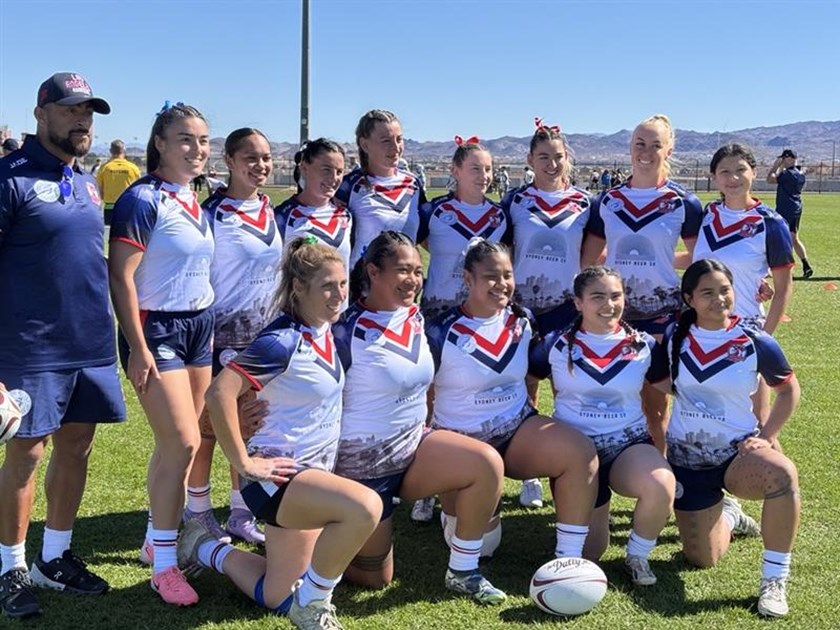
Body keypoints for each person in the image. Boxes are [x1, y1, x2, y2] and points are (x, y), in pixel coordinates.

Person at [181, 238, 382, 630]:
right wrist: (244, 462)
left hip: (310, 476)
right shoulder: (281, 341)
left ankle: (203, 548)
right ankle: (314, 604)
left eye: (342, 284)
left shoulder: (325, 330)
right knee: (364, 508)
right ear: (298, 288)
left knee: (279, 595)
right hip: (278, 479)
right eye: (327, 286)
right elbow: (219, 393)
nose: (339, 294)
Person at [0, 72, 126, 620]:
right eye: (71, 109)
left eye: (88, 112)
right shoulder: (9, 178)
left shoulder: (88, 181)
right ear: (41, 113)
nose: (82, 120)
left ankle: (54, 557)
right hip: (29, 348)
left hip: (89, 343)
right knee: (27, 455)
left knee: (77, 447)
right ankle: (9, 567)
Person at [333, 231, 508, 604]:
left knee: (486, 462)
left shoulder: (414, 316)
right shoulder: (344, 330)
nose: (413, 280)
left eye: (417, 270)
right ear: (373, 272)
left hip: (414, 448)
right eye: (402, 270)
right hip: (364, 466)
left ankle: (463, 570)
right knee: (375, 578)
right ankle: (314, 540)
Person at [426, 240, 598, 562]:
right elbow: (422, 392)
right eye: (491, 276)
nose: (501, 283)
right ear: (468, 279)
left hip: (515, 429)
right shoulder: (439, 331)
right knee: (484, 547)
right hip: (462, 440)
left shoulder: (523, 319)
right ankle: (451, 505)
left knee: (580, 452)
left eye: (507, 275)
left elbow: (533, 370)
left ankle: (569, 558)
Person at [648, 259, 801, 618]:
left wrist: (766, 435)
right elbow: (658, 380)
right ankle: (730, 516)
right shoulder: (674, 335)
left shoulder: (754, 339)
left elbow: (789, 391)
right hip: (687, 459)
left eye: (725, 290)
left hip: (737, 454)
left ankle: (774, 580)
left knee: (783, 475)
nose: (719, 298)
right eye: (708, 292)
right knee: (702, 559)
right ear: (689, 299)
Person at [108, 103, 215, 606]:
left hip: (199, 327)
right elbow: (120, 275)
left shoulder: (193, 197)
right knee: (183, 443)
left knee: (182, 443)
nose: (197, 149)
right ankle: (166, 567)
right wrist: (137, 346)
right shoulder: (142, 198)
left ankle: (156, 537)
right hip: (157, 329)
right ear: (161, 144)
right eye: (186, 139)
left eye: (203, 140)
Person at [530, 266, 675, 585]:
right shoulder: (555, 344)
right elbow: (526, 379)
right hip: (575, 458)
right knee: (590, 552)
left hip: (627, 446)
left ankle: (637, 556)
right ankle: (594, 512)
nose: (609, 304)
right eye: (597, 297)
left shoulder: (643, 345)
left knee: (661, 485)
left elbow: (672, 387)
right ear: (578, 302)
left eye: (615, 296)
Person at [582, 114, 701, 450]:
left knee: (655, 408)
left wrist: (664, 260)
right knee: (607, 400)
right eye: (640, 144)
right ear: (630, 147)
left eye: (655, 145)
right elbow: (589, 259)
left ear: (669, 150)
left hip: (660, 317)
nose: (646, 152)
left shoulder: (683, 202)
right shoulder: (608, 201)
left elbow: (700, 259)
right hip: (612, 317)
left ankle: (657, 471)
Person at [189, 128, 283, 546]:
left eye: (266, 158)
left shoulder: (270, 209)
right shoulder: (211, 213)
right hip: (219, 337)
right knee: (207, 429)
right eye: (250, 157)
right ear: (228, 161)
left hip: (261, 339)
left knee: (248, 426)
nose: (260, 166)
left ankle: (241, 512)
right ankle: (197, 511)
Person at [502, 118, 594, 508]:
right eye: (543, 157)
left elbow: (595, 253)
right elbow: (504, 252)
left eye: (558, 156)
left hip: (564, 310)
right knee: (524, 388)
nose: (552, 164)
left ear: (567, 158)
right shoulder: (515, 201)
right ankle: (531, 475)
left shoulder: (586, 203)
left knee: (567, 391)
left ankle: (570, 469)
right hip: (523, 308)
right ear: (530, 160)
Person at [693, 144, 794, 426]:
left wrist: (763, 338)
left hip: (744, 331)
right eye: (724, 171)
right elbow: (699, 261)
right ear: (714, 176)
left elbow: (784, 287)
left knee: (756, 422)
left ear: (754, 172)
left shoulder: (770, 223)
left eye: (740, 170)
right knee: (706, 417)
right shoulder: (708, 213)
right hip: (701, 331)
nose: (733, 178)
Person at [418, 136, 511, 320]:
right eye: (475, 169)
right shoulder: (432, 211)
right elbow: (412, 248)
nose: (484, 176)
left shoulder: (501, 215)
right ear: (455, 171)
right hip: (437, 312)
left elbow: (509, 259)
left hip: (484, 315)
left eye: (488, 169)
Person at [336, 110, 426, 268]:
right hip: (361, 281)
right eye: (386, 141)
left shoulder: (413, 184)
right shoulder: (347, 186)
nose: (396, 147)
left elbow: (425, 236)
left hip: (405, 280)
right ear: (364, 144)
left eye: (399, 139)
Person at [275, 138, 352, 273]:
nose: (334, 178)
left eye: (339, 172)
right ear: (304, 168)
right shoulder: (282, 217)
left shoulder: (346, 216)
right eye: (326, 170)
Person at [767, 149, 813, 278]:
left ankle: (784, 268)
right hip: (796, 207)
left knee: (779, 238)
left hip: (785, 209)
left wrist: (776, 166)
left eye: (784, 159)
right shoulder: (800, 173)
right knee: (794, 238)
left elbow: (770, 179)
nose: (782, 161)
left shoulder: (788, 174)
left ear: (790, 159)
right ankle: (806, 265)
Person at [96, 139, 141, 226]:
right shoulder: (133, 168)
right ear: (124, 151)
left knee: (110, 232)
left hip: (110, 207)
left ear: (110, 151)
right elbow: (139, 189)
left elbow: (99, 189)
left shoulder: (104, 168)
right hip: (128, 206)